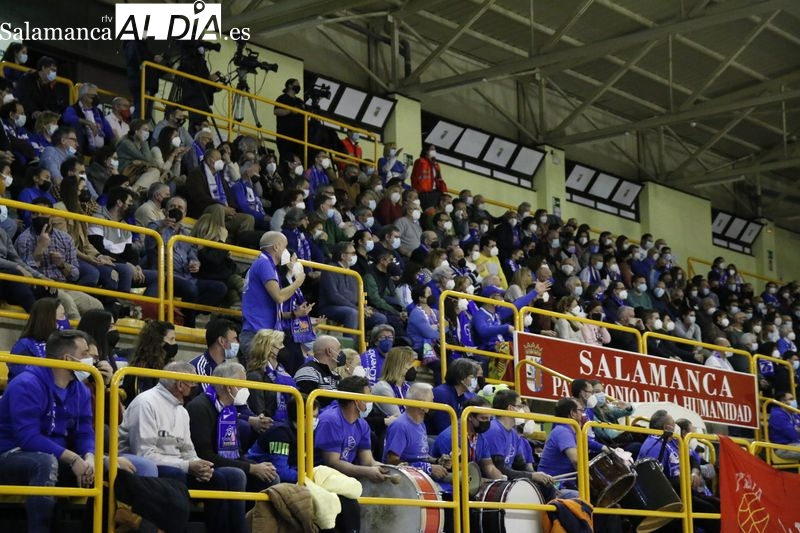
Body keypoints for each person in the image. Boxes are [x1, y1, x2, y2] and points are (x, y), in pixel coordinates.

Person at [119, 361, 247, 533]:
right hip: (144, 468)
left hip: (179, 466)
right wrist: (187, 465)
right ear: (180, 384)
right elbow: (144, 454)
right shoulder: (145, 403)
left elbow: (188, 450)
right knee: (177, 475)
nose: (195, 388)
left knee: (219, 478)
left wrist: (199, 464)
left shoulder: (182, 411)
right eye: (192, 384)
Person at [0, 330, 96, 533]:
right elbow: (28, 438)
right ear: (67, 359)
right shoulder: (27, 384)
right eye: (85, 353)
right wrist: (73, 458)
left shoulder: (80, 389)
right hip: (11, 453)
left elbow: (85, 431)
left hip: (57, 454)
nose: (91, 360)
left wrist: (89, 457)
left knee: (109, 465)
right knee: (45, 463)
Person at [186, 362, 279, 493]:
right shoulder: (199, 407)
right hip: (202, 469)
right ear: (229, 387)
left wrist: (256, 466)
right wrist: (250, 468)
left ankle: (255, 514)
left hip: (224, 464)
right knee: (236, 475)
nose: (247, 388)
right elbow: (205, 455)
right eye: (243, 383)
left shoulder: (230, 410)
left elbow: (236, 454)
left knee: (270, 476)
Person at [314, 375, 387, 533]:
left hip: (344, 480)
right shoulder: (330, 420)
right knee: (350, 505)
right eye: (367, 396)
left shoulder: (362, 424)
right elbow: (332, 462)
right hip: (321, 478)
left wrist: (385, 468)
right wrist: (367, 471)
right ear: (356, 400)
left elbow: (368, 461)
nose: (369, 402)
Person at [16, 196, 104, 319]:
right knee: (69, 306)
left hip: (64, 286)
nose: (38, 216)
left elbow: (75, 275)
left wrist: (62, 264)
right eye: (35, 213)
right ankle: (74, 338)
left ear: (51, 216)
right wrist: (40, 248)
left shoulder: (65, 238)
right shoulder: (24, 239)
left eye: (43, 213)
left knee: (97, 307)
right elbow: (26, 273)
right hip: (42, 288)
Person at [637, 409, 720, 533]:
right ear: (667, 427)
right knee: (711, 512)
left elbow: (693, 458)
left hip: (684, 490)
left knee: (718, 505)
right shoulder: (653, 445)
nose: (676, 427)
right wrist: (684, 480)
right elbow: (656, 482)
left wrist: (694, 472)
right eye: (674, 424)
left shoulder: (675, 440)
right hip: (670, 497)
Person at [239, 231, 307, 360]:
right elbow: (279, 297)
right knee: (257, 377)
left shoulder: (267, 265)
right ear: (276, 247)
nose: (286, 251)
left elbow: (269, 306)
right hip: (257, 333)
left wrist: (294, 314)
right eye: (285, 246)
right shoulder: (264, 264)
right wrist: (297, 283)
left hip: (263, 333)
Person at [482, 389, 557, 496]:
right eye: (520, 406)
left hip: (509, 481)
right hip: (496, 484)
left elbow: (521, 465)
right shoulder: (494, 430)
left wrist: (540, 476)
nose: (522, 410)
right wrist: (532, 476)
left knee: (547, 487)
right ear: (510, 408)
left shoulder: (513, 433)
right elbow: (500, 468)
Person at [186, 148, 255, 244]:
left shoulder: (219, 176)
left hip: (223, 214)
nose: (222, 161)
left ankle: (241, 250)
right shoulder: (196, 174)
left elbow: (229, 196)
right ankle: (220, 243)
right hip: (204, 212)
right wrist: (222, 207)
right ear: (210, 161)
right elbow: (199, 197)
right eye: (219, 159)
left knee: (248, 219)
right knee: (218, 208)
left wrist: (230, 209)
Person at [383, 382, 449, 483]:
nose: (434, 404)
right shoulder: (400, 426)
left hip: (419, 477)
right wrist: (427, 468)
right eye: (432, 401)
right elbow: (392, 462)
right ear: (422, 405)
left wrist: (436, 461)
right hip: (404, 481)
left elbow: (420, 455)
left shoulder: (420, 423)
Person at [318, 241, 386, 334]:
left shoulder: (354, 274)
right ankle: (350, 345)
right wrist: (358, 309)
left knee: (380, 317)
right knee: (353, 313)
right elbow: (333, 297)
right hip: (330, 308)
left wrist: (365, 308)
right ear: (343, 256)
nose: (355, 256)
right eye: (353, 253)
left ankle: (366, 345)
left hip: (353, 308)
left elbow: (358, 298)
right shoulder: (330, 269)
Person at [247, 395, 318, 484]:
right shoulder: (280, 433)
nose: (316, 420)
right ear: (303, 417)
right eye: (314, 416)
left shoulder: (306, 433)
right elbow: (281, 471)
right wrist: (310, 477)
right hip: (258, 475)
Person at [121, 320, 178, 405]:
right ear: (158, 342)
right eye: (171, 339)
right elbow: (144, 401)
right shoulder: (141, 369)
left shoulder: (169, 365)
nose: (175, 343)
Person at [246, 329, 296, 422]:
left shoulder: (284, 373)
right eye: (280, 344)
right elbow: (259, 413)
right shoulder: (255, 376)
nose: (284, 347)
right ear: (269, 348)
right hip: (269, 427)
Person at [427, 358, 481, 436]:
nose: (475, 381)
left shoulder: (469, 395)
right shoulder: (441, 394)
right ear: (461, 377)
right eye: (472, 377)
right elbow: (443, 429)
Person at [61, 82, 115, 155]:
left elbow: (109, 132)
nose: (96, 99)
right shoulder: (73, 108)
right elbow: (67, 118)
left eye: (97, 96)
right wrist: (88, 122)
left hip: (100, 151)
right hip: (84, 147)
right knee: (76, 125)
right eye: (93, 96)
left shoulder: (98, 112)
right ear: (84, 97)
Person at [13, 56, 63, 127]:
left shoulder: (49, 87)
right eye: (52, 70)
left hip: (40, 122)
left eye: (55, 71)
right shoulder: (27, 78)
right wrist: (34, 111)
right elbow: (23, 98)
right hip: (26, 116)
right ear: (43, 68)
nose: (54, 73)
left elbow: (50, 106)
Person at [293, 335, 342, 405]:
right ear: (329, 351)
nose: (342, 353)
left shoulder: (336, 375)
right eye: (339, 349)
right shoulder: (307, 371)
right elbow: (309, 405)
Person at [274, 78, 306, 164]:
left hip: (299, 138)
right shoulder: (282, 98)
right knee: (286, 159)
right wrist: (290, 110)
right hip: (285, 136)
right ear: (289, 85)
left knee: (298, 160)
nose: (298, 86)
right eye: (296, 84)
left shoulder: (300, 101)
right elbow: (276, 111)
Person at [768, 390, 800, 460]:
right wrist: (796, 429)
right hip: (783, 448)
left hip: (795, 445)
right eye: (791, 399)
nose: (794, 401)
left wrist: (797, 429)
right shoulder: (777, 415)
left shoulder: (794, 414)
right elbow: (792, 434)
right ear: (783, 402)